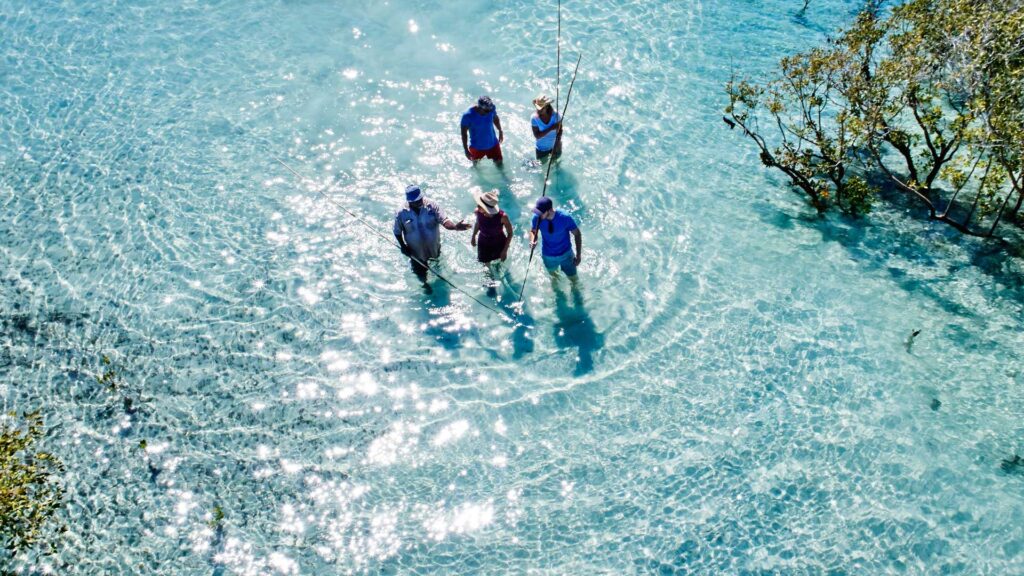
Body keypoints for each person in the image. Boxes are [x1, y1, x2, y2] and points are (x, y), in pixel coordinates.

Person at [393, 185, 470, 285]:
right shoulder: (401, 213)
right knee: (421, 275)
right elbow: (397, 232)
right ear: (410, 201)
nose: (420, 201)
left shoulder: (432, 206)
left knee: (439, 272)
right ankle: (425, 286)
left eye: (420, 198)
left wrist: (455, 227)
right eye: (416, 201)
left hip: (434, 249)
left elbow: (445, 221)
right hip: (416, 253)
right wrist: (403, 246)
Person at [529, 196, 581, 282]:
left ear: (549, 210)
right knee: (554, 279)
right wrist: (532, 240)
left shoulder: (565, 217)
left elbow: (577, 234)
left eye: (541, 212)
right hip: (548, 256)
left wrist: (578, 255)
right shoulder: (537, 218)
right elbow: (533, 231)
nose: (538, 214)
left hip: (566, 255)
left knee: (573, 279)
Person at [471, 189, 513, 264]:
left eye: (479, 205)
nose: (477, 206)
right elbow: (478, 223)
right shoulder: (477, 212)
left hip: (498, 242)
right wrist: (473, 235)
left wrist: (505, 250)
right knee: (485, 263)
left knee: (499, 263)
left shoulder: (502, 217)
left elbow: (510, 233)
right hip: (483, 242)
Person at [460, 95, 504, 165]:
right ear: (479, 107)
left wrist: (500, 130)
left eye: (490, 110)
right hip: (477, 148)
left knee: (500, 164)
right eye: (486, 111)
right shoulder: (468, 116)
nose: (488, 112)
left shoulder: (491, 109)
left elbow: (495, 118)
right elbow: (464, 133)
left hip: (493, 144)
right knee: (476, 167)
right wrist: (466, 150)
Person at [531, 94, 562, 160]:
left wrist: (557, 143)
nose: (538, 110)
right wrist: (551, 128)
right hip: (541, 148)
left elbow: (560, 130)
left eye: (541, 109)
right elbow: (537, 135)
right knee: (542, 168)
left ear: (547, 107)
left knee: (557, 164)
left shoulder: (556, 115)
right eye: (537, 108)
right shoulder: (534, 118)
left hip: (555, 146)